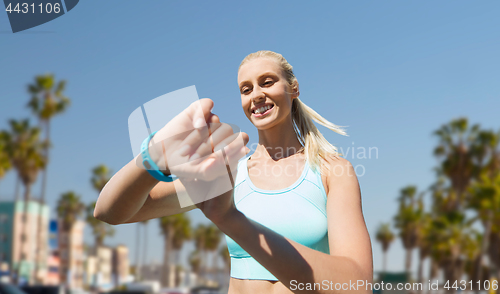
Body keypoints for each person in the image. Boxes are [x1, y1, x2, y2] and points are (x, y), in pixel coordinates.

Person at [94, 50, 373, 294]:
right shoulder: (228, 173)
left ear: (294, 88)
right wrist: (154, 157)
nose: (257, 95)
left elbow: (356, 285)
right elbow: (109, 212)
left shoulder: (331, 170)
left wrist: (230, 219)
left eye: (267, 82)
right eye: (246, 89)